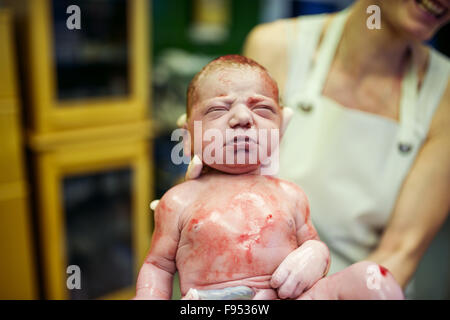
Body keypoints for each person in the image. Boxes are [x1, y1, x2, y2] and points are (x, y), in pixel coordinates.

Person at [133, 55, 403, 300]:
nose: (241, 117)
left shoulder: (290, 194)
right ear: (188, 135)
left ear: (280, 129)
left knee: (372, 281)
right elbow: (158, 265)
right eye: (218, 110)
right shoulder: (178, 200)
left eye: (261, 109)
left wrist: (315, 255)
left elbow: (311, 242)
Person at [241, 0, 450, 297]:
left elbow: (402, 250)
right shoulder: (276, 48)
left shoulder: (443, 93)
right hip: (253, 286)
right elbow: (231, 192)